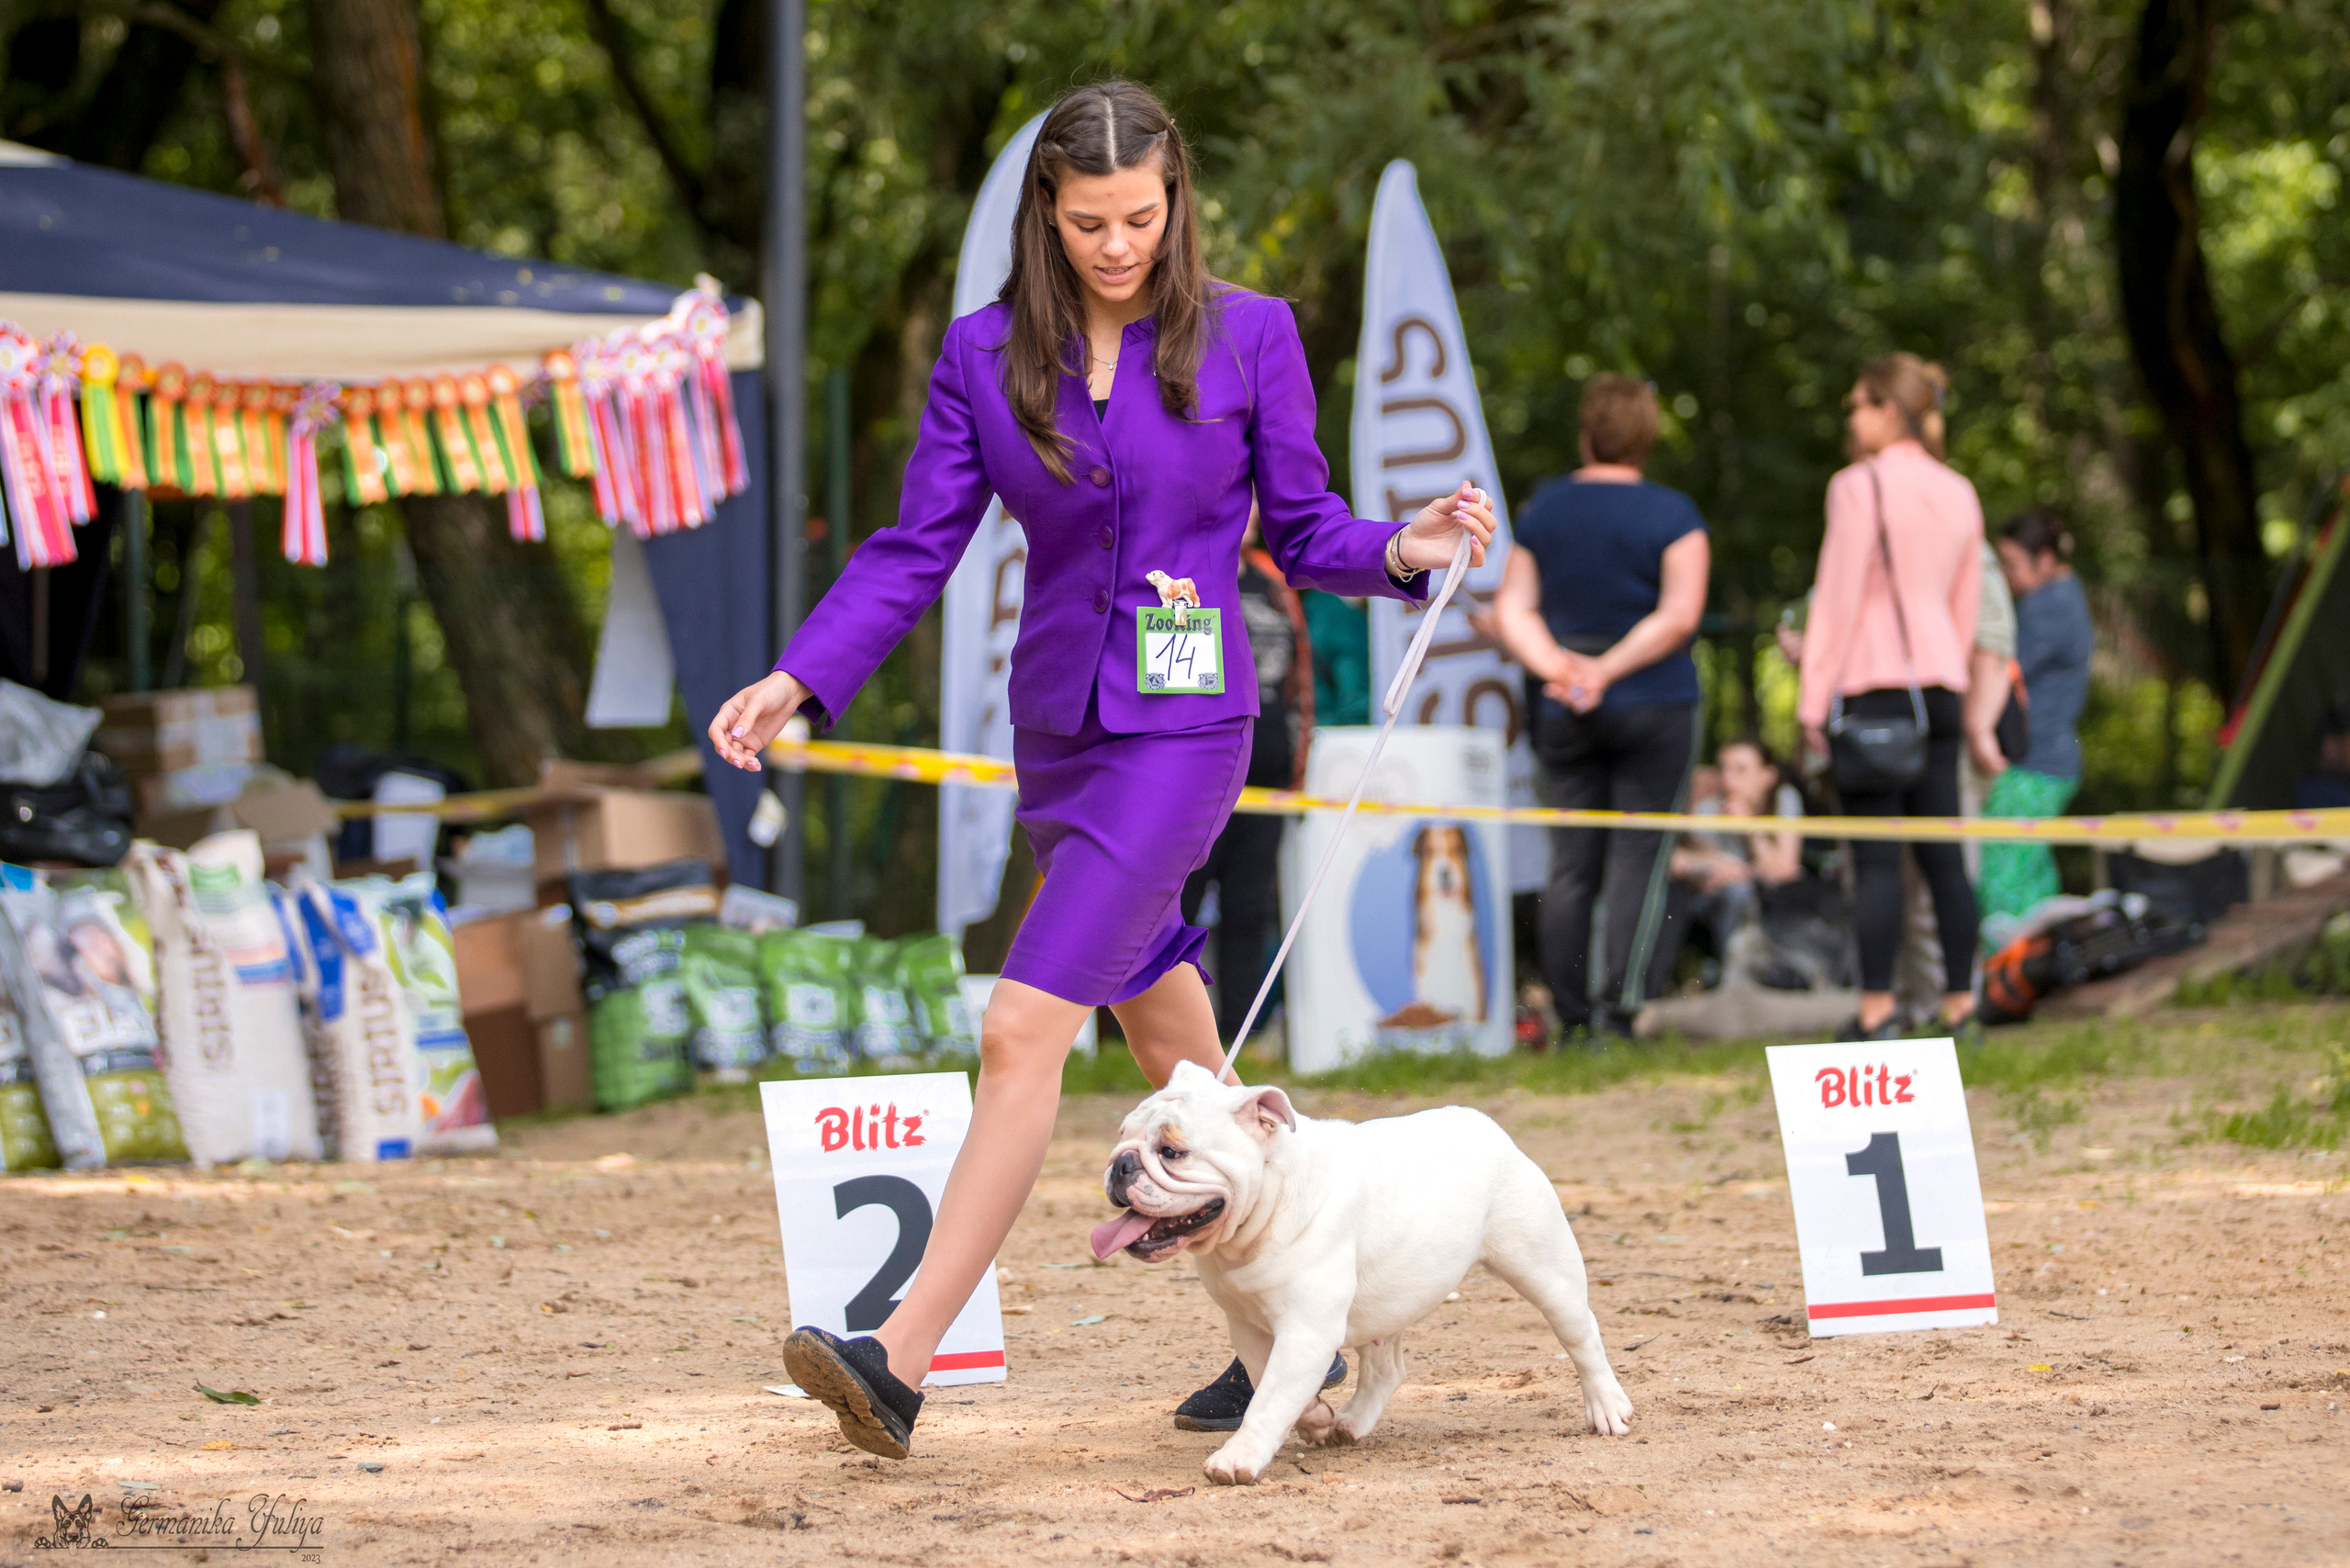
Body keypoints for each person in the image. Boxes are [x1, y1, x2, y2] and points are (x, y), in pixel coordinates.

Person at [707, 81, 1494, 1460]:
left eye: (1141, 218)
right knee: (1174, 1052)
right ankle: (1295, 1332)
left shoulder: (1253, 333)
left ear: (1175, 203)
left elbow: (1305, 525)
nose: (1119, 245)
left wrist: (1401, 548)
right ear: (1048, 216)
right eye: (1089, 223)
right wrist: (800, 674)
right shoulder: (982, 353)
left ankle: (896, 1360)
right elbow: (915, 546)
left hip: (1186, 734)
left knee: (1022, 1030)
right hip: (1060, 738)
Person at [1493, 374, 1710, 1040]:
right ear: (1646, 439)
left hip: (1565, 707)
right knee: (1639, 859)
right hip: (1656, 704)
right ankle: (1619, 1012)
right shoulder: (1675, 515)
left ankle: (1572, 1017)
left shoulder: (1545, 511)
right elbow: (1680, 616)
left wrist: (1560, 668)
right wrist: (1606, 671)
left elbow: (1512, 609)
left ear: (1587, 434)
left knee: (1571, 864)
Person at [1796, 353, 1984, 1041]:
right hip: (1941, 685)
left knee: (1875, 860)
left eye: (1857, 405)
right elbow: (1966, 603)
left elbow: (1838, 599)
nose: (1850, 418)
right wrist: (1948, 670)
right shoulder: (1959, 489)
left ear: (1889, 410)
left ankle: (1878, 1010)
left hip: (1875, 688)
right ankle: (1960, 1005)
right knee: (1943, 856)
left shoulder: (1857, 485)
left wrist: (1813, 698)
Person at [1179, 510, 1314, 1047]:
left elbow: (1301, 680)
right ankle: (1168, 1038)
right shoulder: (1181, 577)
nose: (1255, 506)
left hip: (1268, 775)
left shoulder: (1273, 581)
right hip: (1199, 780)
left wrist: (1299, 767)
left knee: (1249, 907)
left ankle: (1240, 1034)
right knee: (1178, 907)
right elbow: (1173, 682)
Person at [1979, 507, 2094, 932]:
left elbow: (1998, 666)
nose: (2005, 575)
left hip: (2035, 763)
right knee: (2031, 876)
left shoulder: (2050, 605)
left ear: (2045, 560)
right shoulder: (2061, 597)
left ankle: (2016, 963)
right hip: (2048, 761)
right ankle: (2044, 957)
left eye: (2011, 564)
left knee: (2003, 881)